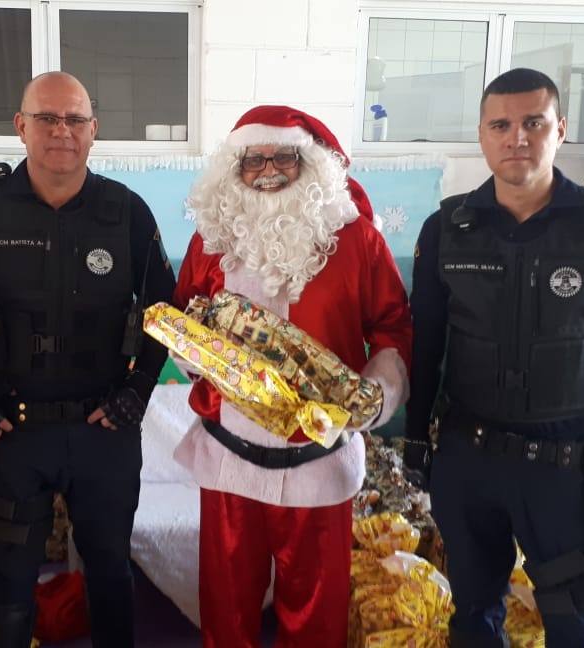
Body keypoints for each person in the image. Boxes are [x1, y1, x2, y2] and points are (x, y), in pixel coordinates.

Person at [402, 68, 584, 647]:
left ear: (559, 129)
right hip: (467, 463)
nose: (516, 138)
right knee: (472, 618)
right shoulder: (449, 229)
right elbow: (425, 342)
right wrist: (415, 441)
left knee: (576, 626)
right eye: (500, 124)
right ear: (481, 135)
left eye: (533, 122)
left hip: (565, 474)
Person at [0, 71, 175, 648]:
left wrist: (139, 390)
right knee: (9, 580)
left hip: (102, 429)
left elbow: (165, 312)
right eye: (48, 118)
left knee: (109, 572)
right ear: (21, 126)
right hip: (13, 430)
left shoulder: (127, 212)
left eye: (75, 119)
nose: (62, 131)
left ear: (93, 130)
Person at [173, 105, 413, 648]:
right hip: (228, 459)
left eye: (286, 156)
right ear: (232, 171)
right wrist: (199, 358)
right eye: (253, 160)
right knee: (226, 611)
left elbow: (393, 328)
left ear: (313, 165)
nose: (270, 169)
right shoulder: (210, 241)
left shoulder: (358, 242)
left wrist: (378, 394)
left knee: (315, 618)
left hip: (320, 461)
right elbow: (183, 315)